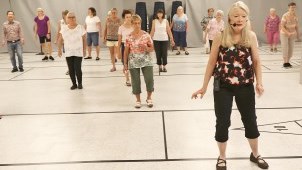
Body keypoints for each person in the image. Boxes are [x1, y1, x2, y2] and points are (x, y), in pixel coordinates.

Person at [192, 1, 269, 170]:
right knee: (222, 121)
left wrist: (260, 82)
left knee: (250, 120)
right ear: (229, 18)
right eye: (235, 16)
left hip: (245, 85)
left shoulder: (251, 36)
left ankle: (255, 154)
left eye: (243, 16)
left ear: (247, 18)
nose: (239, 19)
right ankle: (222, 156)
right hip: (223, 86)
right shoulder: (221, 36)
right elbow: (212, 62)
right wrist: (204, 86)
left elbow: (256, 61)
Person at [123, 15, 154, 108]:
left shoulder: (146, 35)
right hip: (133, 61)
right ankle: (138, 100)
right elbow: (126, 51)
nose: (137, 25)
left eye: (139, 23)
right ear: (132, 24)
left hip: (146, 60)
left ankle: (149, 98)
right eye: (135, 23)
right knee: (135, 81)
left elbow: (152, 48)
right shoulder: (128, 37)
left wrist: (146, 48)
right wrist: (125, 64)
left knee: (149, 79)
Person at [58, 12, 86, 90]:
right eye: (69, 17)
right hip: (68, 52)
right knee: (71, 69)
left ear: (75, 18)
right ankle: (74, 84)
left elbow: (84, 39)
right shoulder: (64, 28)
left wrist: (84, 50)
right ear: (67, 19)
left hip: (78, 52)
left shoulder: (80, 27)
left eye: (73, 17)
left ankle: (80, 83)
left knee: (77, 68)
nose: (71, 18)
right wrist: (59, 50)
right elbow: (60, 40)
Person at [280, 2, 300, 68]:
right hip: (284, 34)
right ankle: (285, 62)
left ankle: (288, 61)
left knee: (291, 49)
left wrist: (298, 34)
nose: (293, 9)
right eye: (292, 7)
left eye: (294, 7)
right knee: (285, 48)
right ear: (288, 8)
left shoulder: (296, 16)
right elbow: (282, 26)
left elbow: (296, 26)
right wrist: (287, 33)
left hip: (292, 34)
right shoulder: (285, 16)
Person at [118, 10, 133, 86]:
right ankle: (127, 79)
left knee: (133, 63)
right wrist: (118, 51)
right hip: (124, 46)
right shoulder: (121, 27)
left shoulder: (134, 26)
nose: (128, 18)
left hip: (133, 47)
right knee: (125, 63)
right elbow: (119, 40)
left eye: (130, 17)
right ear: (124, 18)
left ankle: (133, 77)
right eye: (127, 17)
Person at [55, 10, 69, 75]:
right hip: (64, 41)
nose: (64, 15)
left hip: (71, 41)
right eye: (63, 14)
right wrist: (56, 39)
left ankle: (75, 68)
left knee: (73, 55)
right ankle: (69, 69)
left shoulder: (70, 20)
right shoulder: (60, 22)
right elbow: (58, 31)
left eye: (66, 14)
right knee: (67, 56)